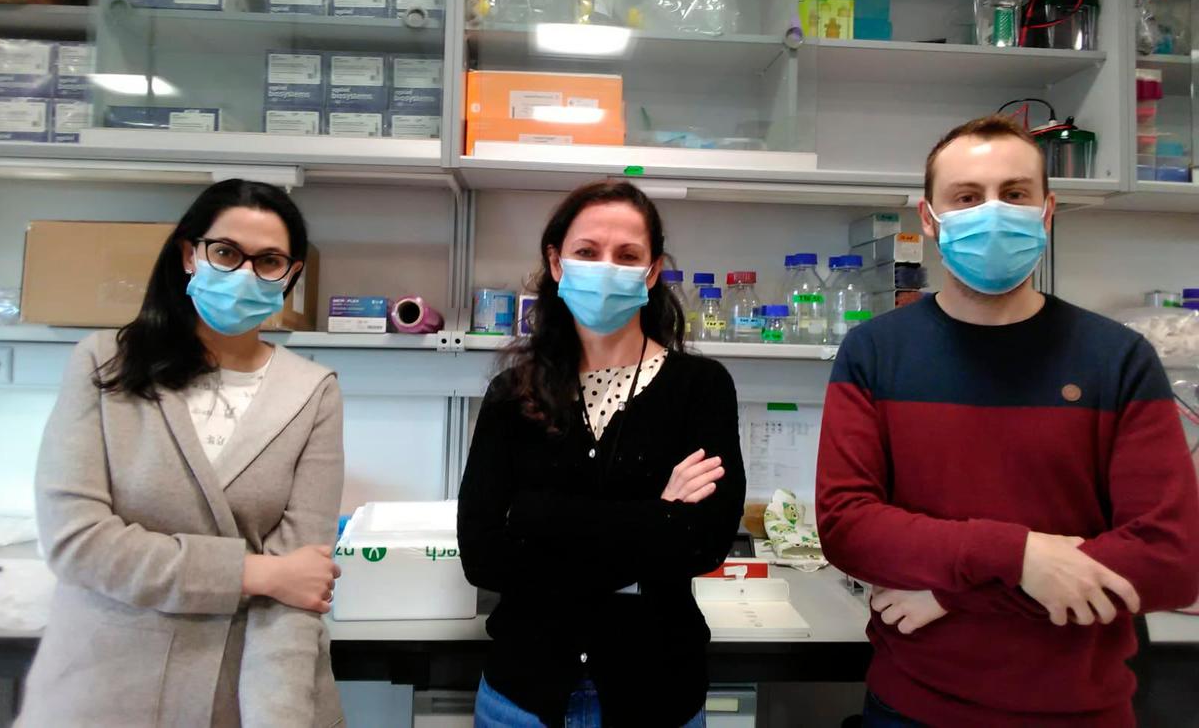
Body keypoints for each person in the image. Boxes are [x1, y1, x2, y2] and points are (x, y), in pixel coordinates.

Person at [817, 115, 1199, 728]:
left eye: (1014, 194)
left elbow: (1169, 562)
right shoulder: (876, 352)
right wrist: (1020, 555)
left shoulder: (1117, 358)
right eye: (967, 197)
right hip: (913, 709)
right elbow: (848, 528)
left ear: (1045, 211)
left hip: (1079, 712)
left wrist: (958, 589)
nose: (992, 212)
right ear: (929, 218)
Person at [17, 179, 345, 728]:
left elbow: (299, 587)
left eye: (268, 261)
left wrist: (278, 718)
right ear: (190, 254)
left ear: (289, 276)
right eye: (225, 252)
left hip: (240, 693)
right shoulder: (105, 366)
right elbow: (78, 542)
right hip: (104, 688)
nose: (244, 273)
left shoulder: (312, 391)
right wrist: (254, 572)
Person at [458, 180, 746, 728]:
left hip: (657, 692)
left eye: (627, 255)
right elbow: (483, 555)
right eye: (587, 252)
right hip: (523, 695)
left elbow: (704, 542)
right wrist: (657, 515)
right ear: (557, 263)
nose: (606, 266)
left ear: (652, 271)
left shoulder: (701, 387)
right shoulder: (512, 394)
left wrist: (542, 516)